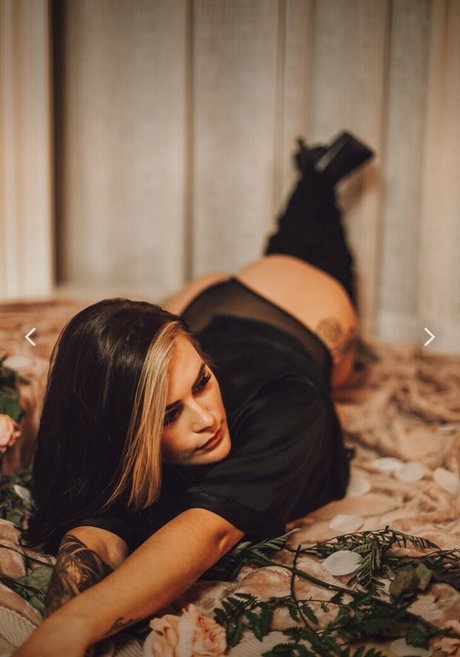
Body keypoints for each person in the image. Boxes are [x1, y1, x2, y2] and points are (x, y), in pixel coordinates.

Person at [13, 131, 373, 657]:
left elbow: (210, 531)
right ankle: (313, 173)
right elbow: (98, 527)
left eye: (203, 382)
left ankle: (317, 176)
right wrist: (57, 622)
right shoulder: (112, 414)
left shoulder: (288, 403)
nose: (207, 419)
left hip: (298, 309)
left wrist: (77, 626)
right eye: (169, 415)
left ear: (204, 361)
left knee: (310, 250)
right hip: (203, 309)